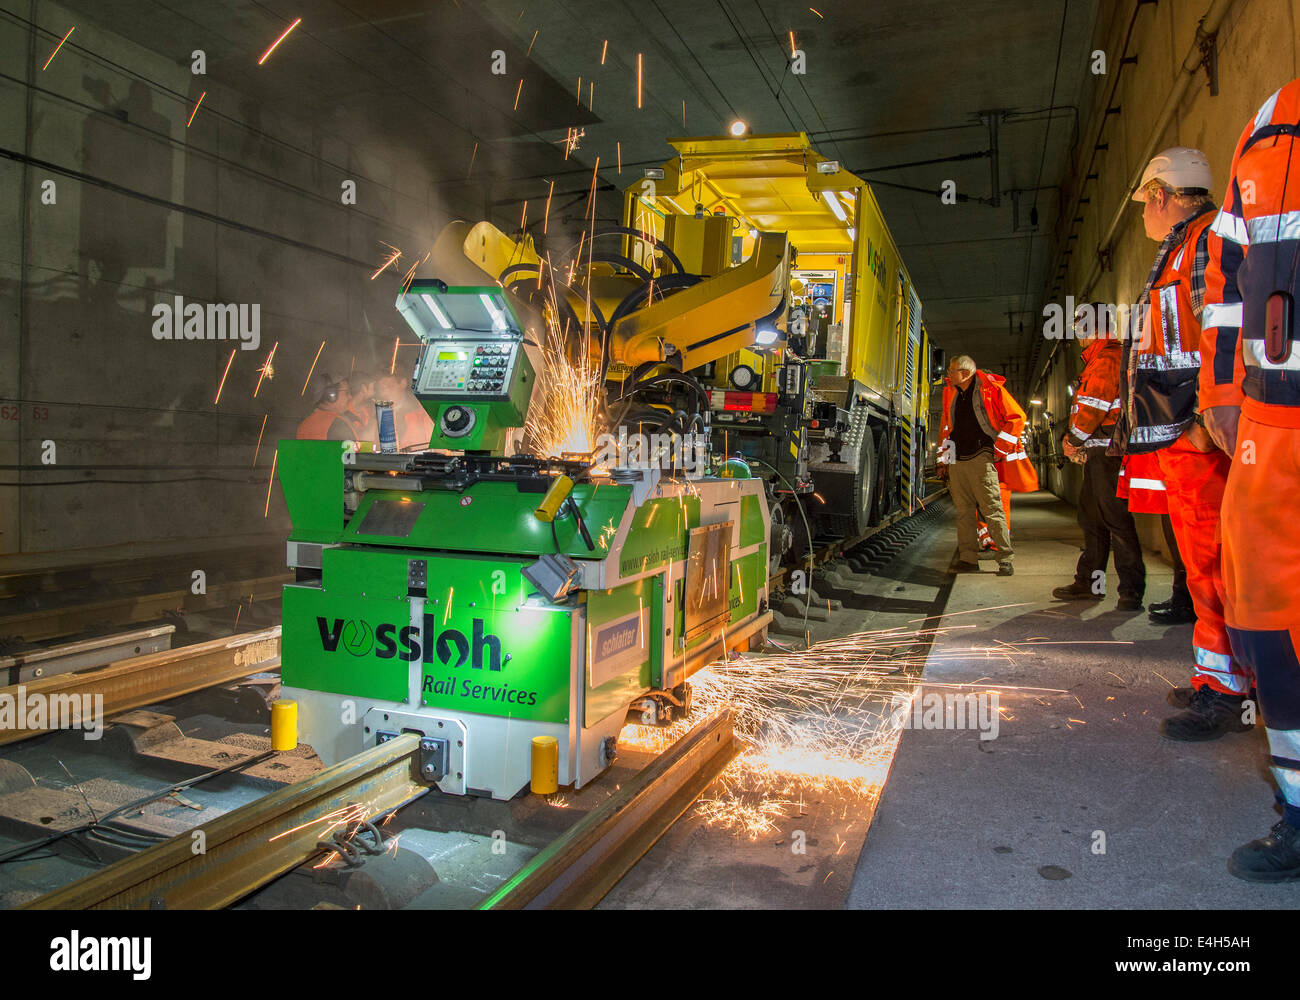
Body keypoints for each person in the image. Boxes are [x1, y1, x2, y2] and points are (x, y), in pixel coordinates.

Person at [1198, 79, 1300, 880]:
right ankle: (1297, 809)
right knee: (1263, 614)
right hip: (1273, 418)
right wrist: (1225, 395)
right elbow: (1228, 282)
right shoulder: (1268, 122)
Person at [1114, 147, 1251, 741]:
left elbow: (1223, 330)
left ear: (1160, 196)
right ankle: (1215, 678)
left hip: (1203, 439)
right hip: (1187, 436)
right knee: (1204, 569)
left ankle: (1229, 693)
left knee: (1219, 568)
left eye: (1145, 202)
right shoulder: (1181, 248)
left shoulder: (1202, 244)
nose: (1143, 214)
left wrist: (1203, 419)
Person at [1052, 302, 1145, 611]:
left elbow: (1092, 409)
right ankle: (1089, 584)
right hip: (1099, 452)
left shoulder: (1107, 359)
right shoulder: (1100, 359)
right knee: (1092, 518)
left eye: (1078, 326)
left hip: (1108, 452)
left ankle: (1130, 591)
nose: (1077, 333)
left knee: (1115, 519)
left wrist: (1071, 441)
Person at [937, 355, 1034, 576]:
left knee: (992, 509)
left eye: (952, 371)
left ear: (965, 373)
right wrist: (943, 461)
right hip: (958, 460)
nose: (948, 375)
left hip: (981, 457)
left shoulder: (990, 389)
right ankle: (968, 559)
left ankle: (1005, 559)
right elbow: (946, 428)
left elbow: (1017, 417)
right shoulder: (950, 394)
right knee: (964, 513)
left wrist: (999, 449)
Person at [376, 372, 434, 451]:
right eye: (381, 388)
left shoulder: (420, 410)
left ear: (403, 383)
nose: (384, 392)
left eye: (389, 386)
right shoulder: (375, 413)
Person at [296, 373, 359, 441]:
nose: (350, 397)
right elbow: (356, 449)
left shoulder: (305, 424)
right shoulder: (337, 425)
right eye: (347, 392)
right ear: (331, 395)